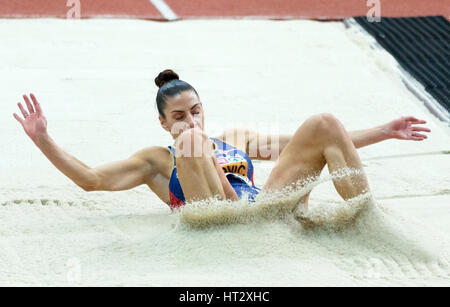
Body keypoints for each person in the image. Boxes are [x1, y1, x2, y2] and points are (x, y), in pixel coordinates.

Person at [13, 69, 431, 217]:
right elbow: (90, 179)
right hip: (216, 214)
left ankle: (363, 215)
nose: (191, 120)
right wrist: (43, 139)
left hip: (263, 207)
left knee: (323, 122)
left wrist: (384, 130)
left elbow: (313, 146)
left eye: (196, 110)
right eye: (179, 116)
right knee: (195, 145)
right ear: (163, 124)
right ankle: (229, 193)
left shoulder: (234, 139)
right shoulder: (155, 160)